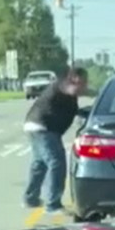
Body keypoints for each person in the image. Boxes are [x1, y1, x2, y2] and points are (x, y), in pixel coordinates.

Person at [22, 67, 88, 213]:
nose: (85, 85)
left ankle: (30, 198)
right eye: (83, 81)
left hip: (35, 125)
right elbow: (70, 89)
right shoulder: (63, 85)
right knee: (56, 162)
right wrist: (83, 89)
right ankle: (53, 204)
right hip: (43, 127)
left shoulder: (69, 94)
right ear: (74, 79)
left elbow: (72, 108)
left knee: (39, 164)